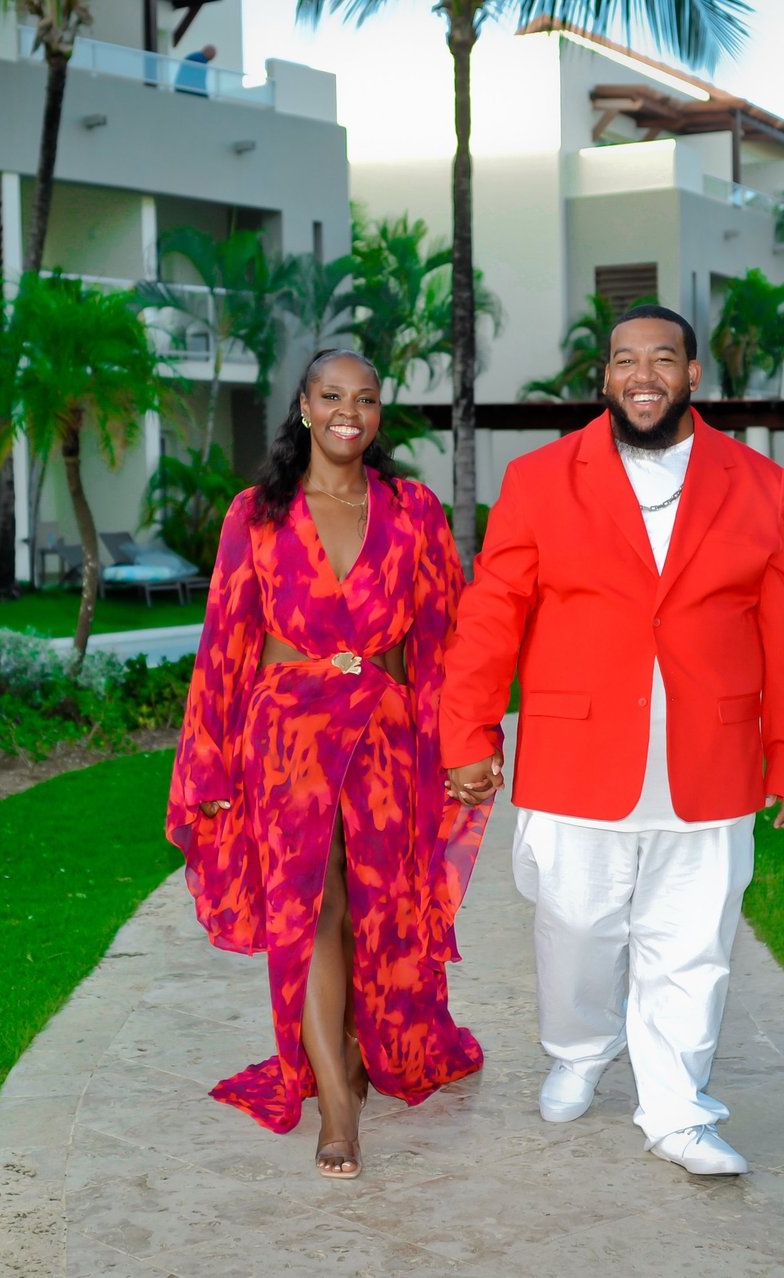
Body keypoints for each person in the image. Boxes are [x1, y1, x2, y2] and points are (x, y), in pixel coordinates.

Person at [441, 304, 784, 1176]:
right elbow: (491, 615)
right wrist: (466, 731)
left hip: (712, 760)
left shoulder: (755, 481)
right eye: (624, 361)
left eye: (661, 359)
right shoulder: (542, 478)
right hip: (577, 758)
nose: (641, 375)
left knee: (691, 945)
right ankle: (579, 1050)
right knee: (574, 930)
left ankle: (679, 1109)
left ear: (693, 375)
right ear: (605, 378)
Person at [167, 349, 494, 1180]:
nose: (350, 411)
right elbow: (224, 644)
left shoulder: (413, 509)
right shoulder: (259, 513)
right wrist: (208, 767)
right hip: (287, 738)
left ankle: (349, 1053)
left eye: (367, 399)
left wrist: (464, 746)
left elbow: (444, 642)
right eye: (332, 396)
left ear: (379, 414)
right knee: (311, 904)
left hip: (384, 736)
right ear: (304, 407)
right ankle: (336, 1110)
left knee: (373, 908)